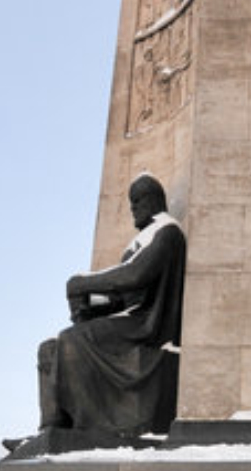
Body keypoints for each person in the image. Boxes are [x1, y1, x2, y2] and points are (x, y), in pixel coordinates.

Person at [36, 174, 186, 436]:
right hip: (129, 317)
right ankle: (52, 426)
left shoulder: (167, 232)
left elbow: (135, 275)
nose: (133, 208)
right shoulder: (144, 239)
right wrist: (90, 305)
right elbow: (122, 297)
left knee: (72, 340)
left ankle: (86, 425)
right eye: (131, 202)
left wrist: (83, 284)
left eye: (137, 200)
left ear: (154, 200)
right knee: (48, 349)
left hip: (146, 325)